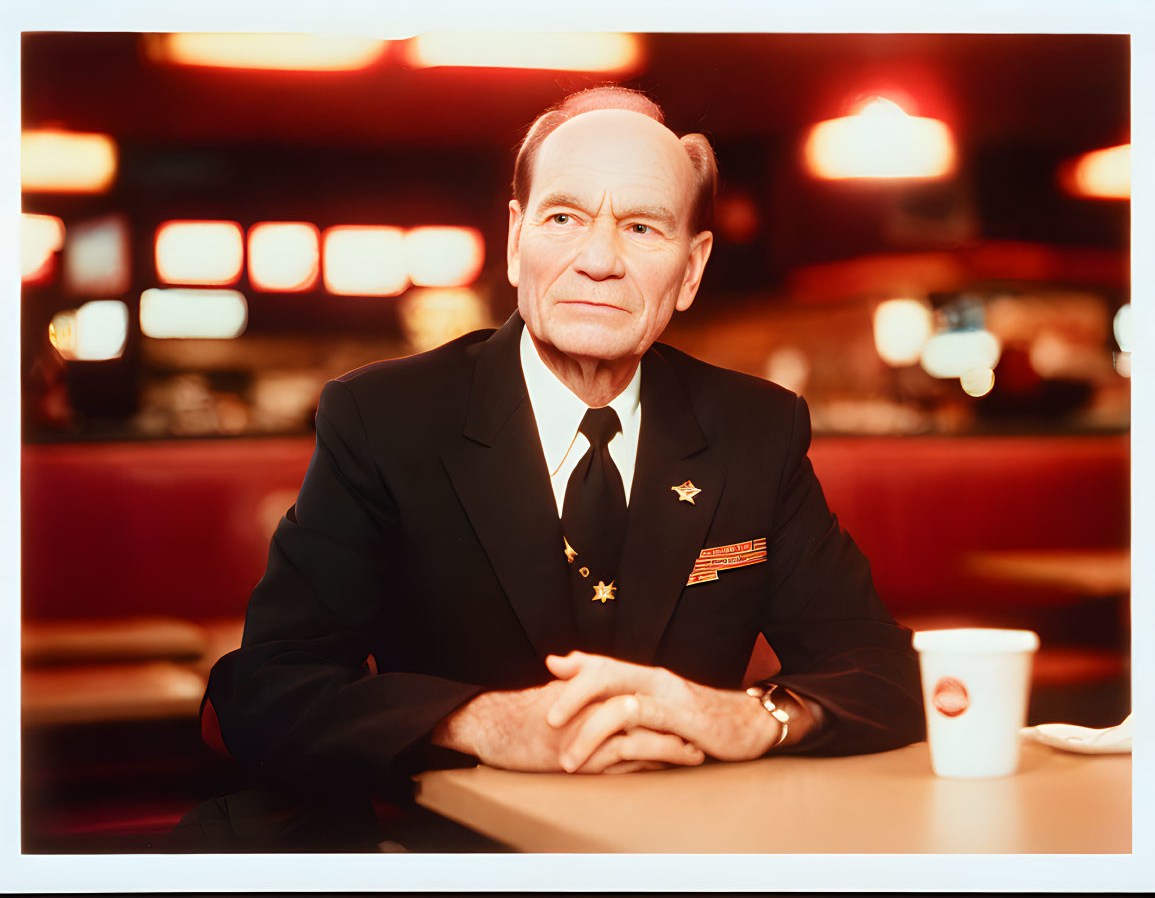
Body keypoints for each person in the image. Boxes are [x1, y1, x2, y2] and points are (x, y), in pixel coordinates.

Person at [191, 86, 924, 847]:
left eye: (642, 227)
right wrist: (479, 722)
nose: (600, 260)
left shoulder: (756, 427)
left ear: (692, 267)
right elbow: (264, 692)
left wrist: (745, 717)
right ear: (515, 240)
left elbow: (884, 673)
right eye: (565, 218)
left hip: (693, 846)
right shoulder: (384, 419)